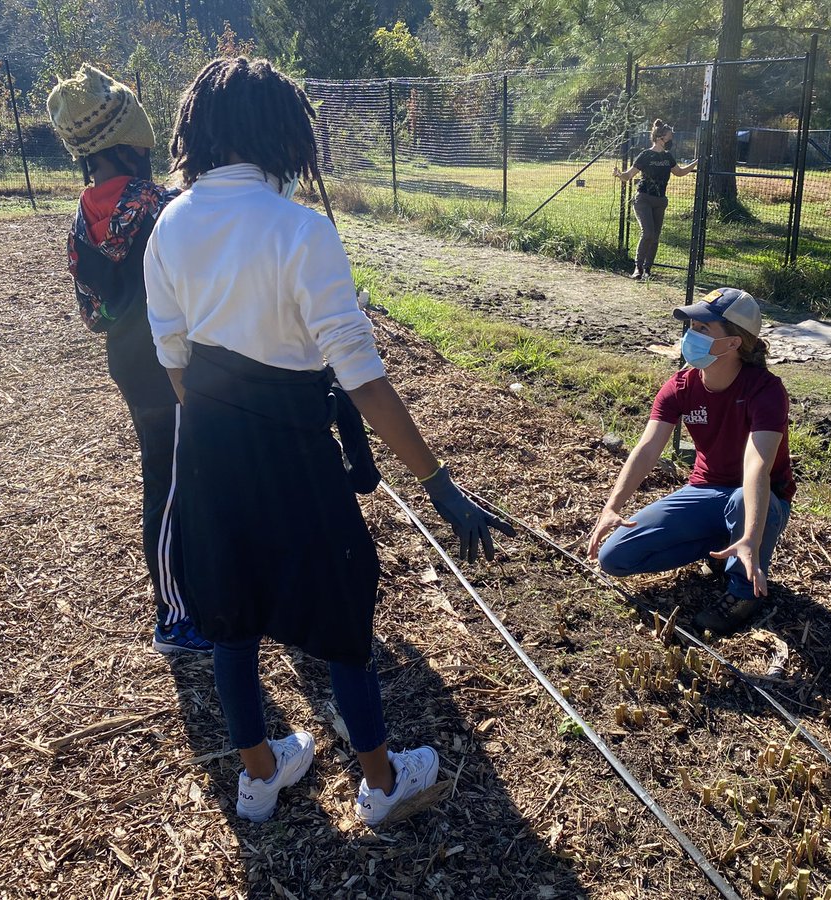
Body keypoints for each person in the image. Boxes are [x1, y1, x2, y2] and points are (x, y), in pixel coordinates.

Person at [143, 57, 514, 826]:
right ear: (282, 134)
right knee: (344, 608)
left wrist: (223, 423)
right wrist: (438, 483)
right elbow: (362, 379)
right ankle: (382, 784)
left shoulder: (168, 224)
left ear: (198, 131)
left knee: (231, 609)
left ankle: (259, 776)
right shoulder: (300, 230)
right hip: (294, 452)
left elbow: (172, 361)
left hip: (207, 446)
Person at [46, 65, 212, 655]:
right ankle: (174, 616)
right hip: (182, 363)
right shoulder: (162, 205)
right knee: (173, 486)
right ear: (132, 139)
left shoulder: (81, 217)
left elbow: (91, 315)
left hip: (130, 366)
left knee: (168, 476)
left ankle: (191, 597)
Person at [586, 288, 794, 636]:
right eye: (691, 326)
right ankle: (721, 548)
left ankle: (744, 593)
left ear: (732, 343)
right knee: (615, 558)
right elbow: (648, 448)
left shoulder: (765, 390)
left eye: (702, 328)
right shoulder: (680, 386)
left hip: (759, 497)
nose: (690, 336)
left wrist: (752, 539)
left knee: (742, 499)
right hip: (706, 490)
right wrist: (612, 507)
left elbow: (756, 467)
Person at [613, 119, 697, 280]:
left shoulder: (668, 156)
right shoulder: (646, 155)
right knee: (648, 233)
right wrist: (618, 174)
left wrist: (696, 162)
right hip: (643, 199)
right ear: (660, 138)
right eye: (669, 137)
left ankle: (648, 270)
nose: (671, 141)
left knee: (655, 236)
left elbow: (679, 172)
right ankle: (637, 268)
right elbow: (629, 175)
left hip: (660, 201)